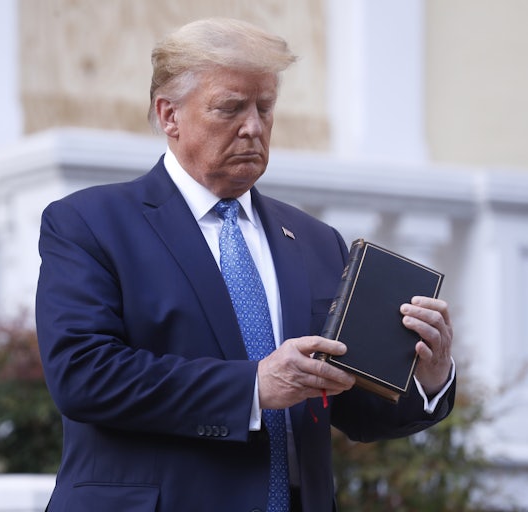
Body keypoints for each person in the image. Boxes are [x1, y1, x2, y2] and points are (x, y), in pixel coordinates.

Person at [35, 17, 455, 512]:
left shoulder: (317, 241)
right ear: (169, 115)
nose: (253, 126)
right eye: (230, 108)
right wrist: (253, 387)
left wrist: (429, 375)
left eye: (265, 106)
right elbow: (83, 376)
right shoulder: (89, 223)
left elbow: (354, 410)